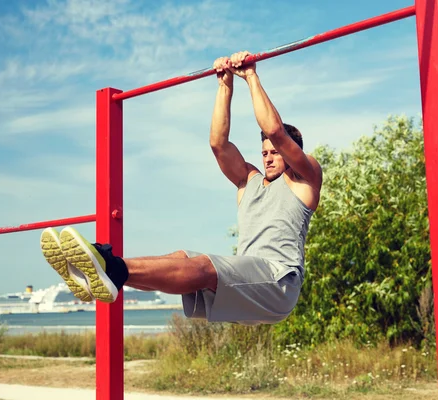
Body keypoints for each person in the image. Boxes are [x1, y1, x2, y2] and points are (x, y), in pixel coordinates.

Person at [39, 51, 323, 324]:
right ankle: (107, 271)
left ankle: (108, 266)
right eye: (264, 153)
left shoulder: (304, 179)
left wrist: (250, 76)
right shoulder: (249, 182)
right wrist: (224, 84)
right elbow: (218, 144)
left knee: (203, 266)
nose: (269, 157)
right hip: (249, 286)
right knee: (182, 258)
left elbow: (275, 130)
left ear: (292, 153)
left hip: (278, 283)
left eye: (276, 152)